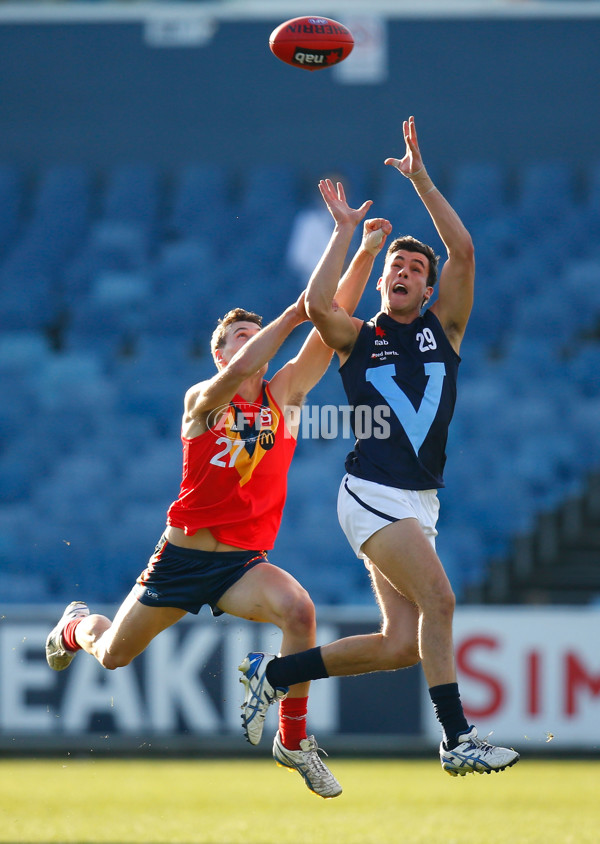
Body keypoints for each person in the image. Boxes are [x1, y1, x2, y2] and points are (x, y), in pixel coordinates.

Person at [45, 191, 389, 800]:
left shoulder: (284, 399)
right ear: (220, 352)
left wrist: (358, 247)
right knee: (113, 655)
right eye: (238, 335)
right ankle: (74, 627)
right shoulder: (204, 399)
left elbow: (332, 317)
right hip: (179, 561)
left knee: (300, 612)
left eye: (252, 332)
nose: (249, 340)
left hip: (238, 564)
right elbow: (275, 341)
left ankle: (293, 740)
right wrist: (286, 320)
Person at [239, 116, 520, 777]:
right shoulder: (358, 337)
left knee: (401, 645)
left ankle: (276, 671)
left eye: (415, 268)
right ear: (383, 282)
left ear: (428, 290)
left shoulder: (444, 331)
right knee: (441, 603)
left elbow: (466, 254)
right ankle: (457, 740)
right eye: (397, 264)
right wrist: (347, 240)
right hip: (371, 495)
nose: (404, 270)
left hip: (419, 503)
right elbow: (314, 305)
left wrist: (420, 179)